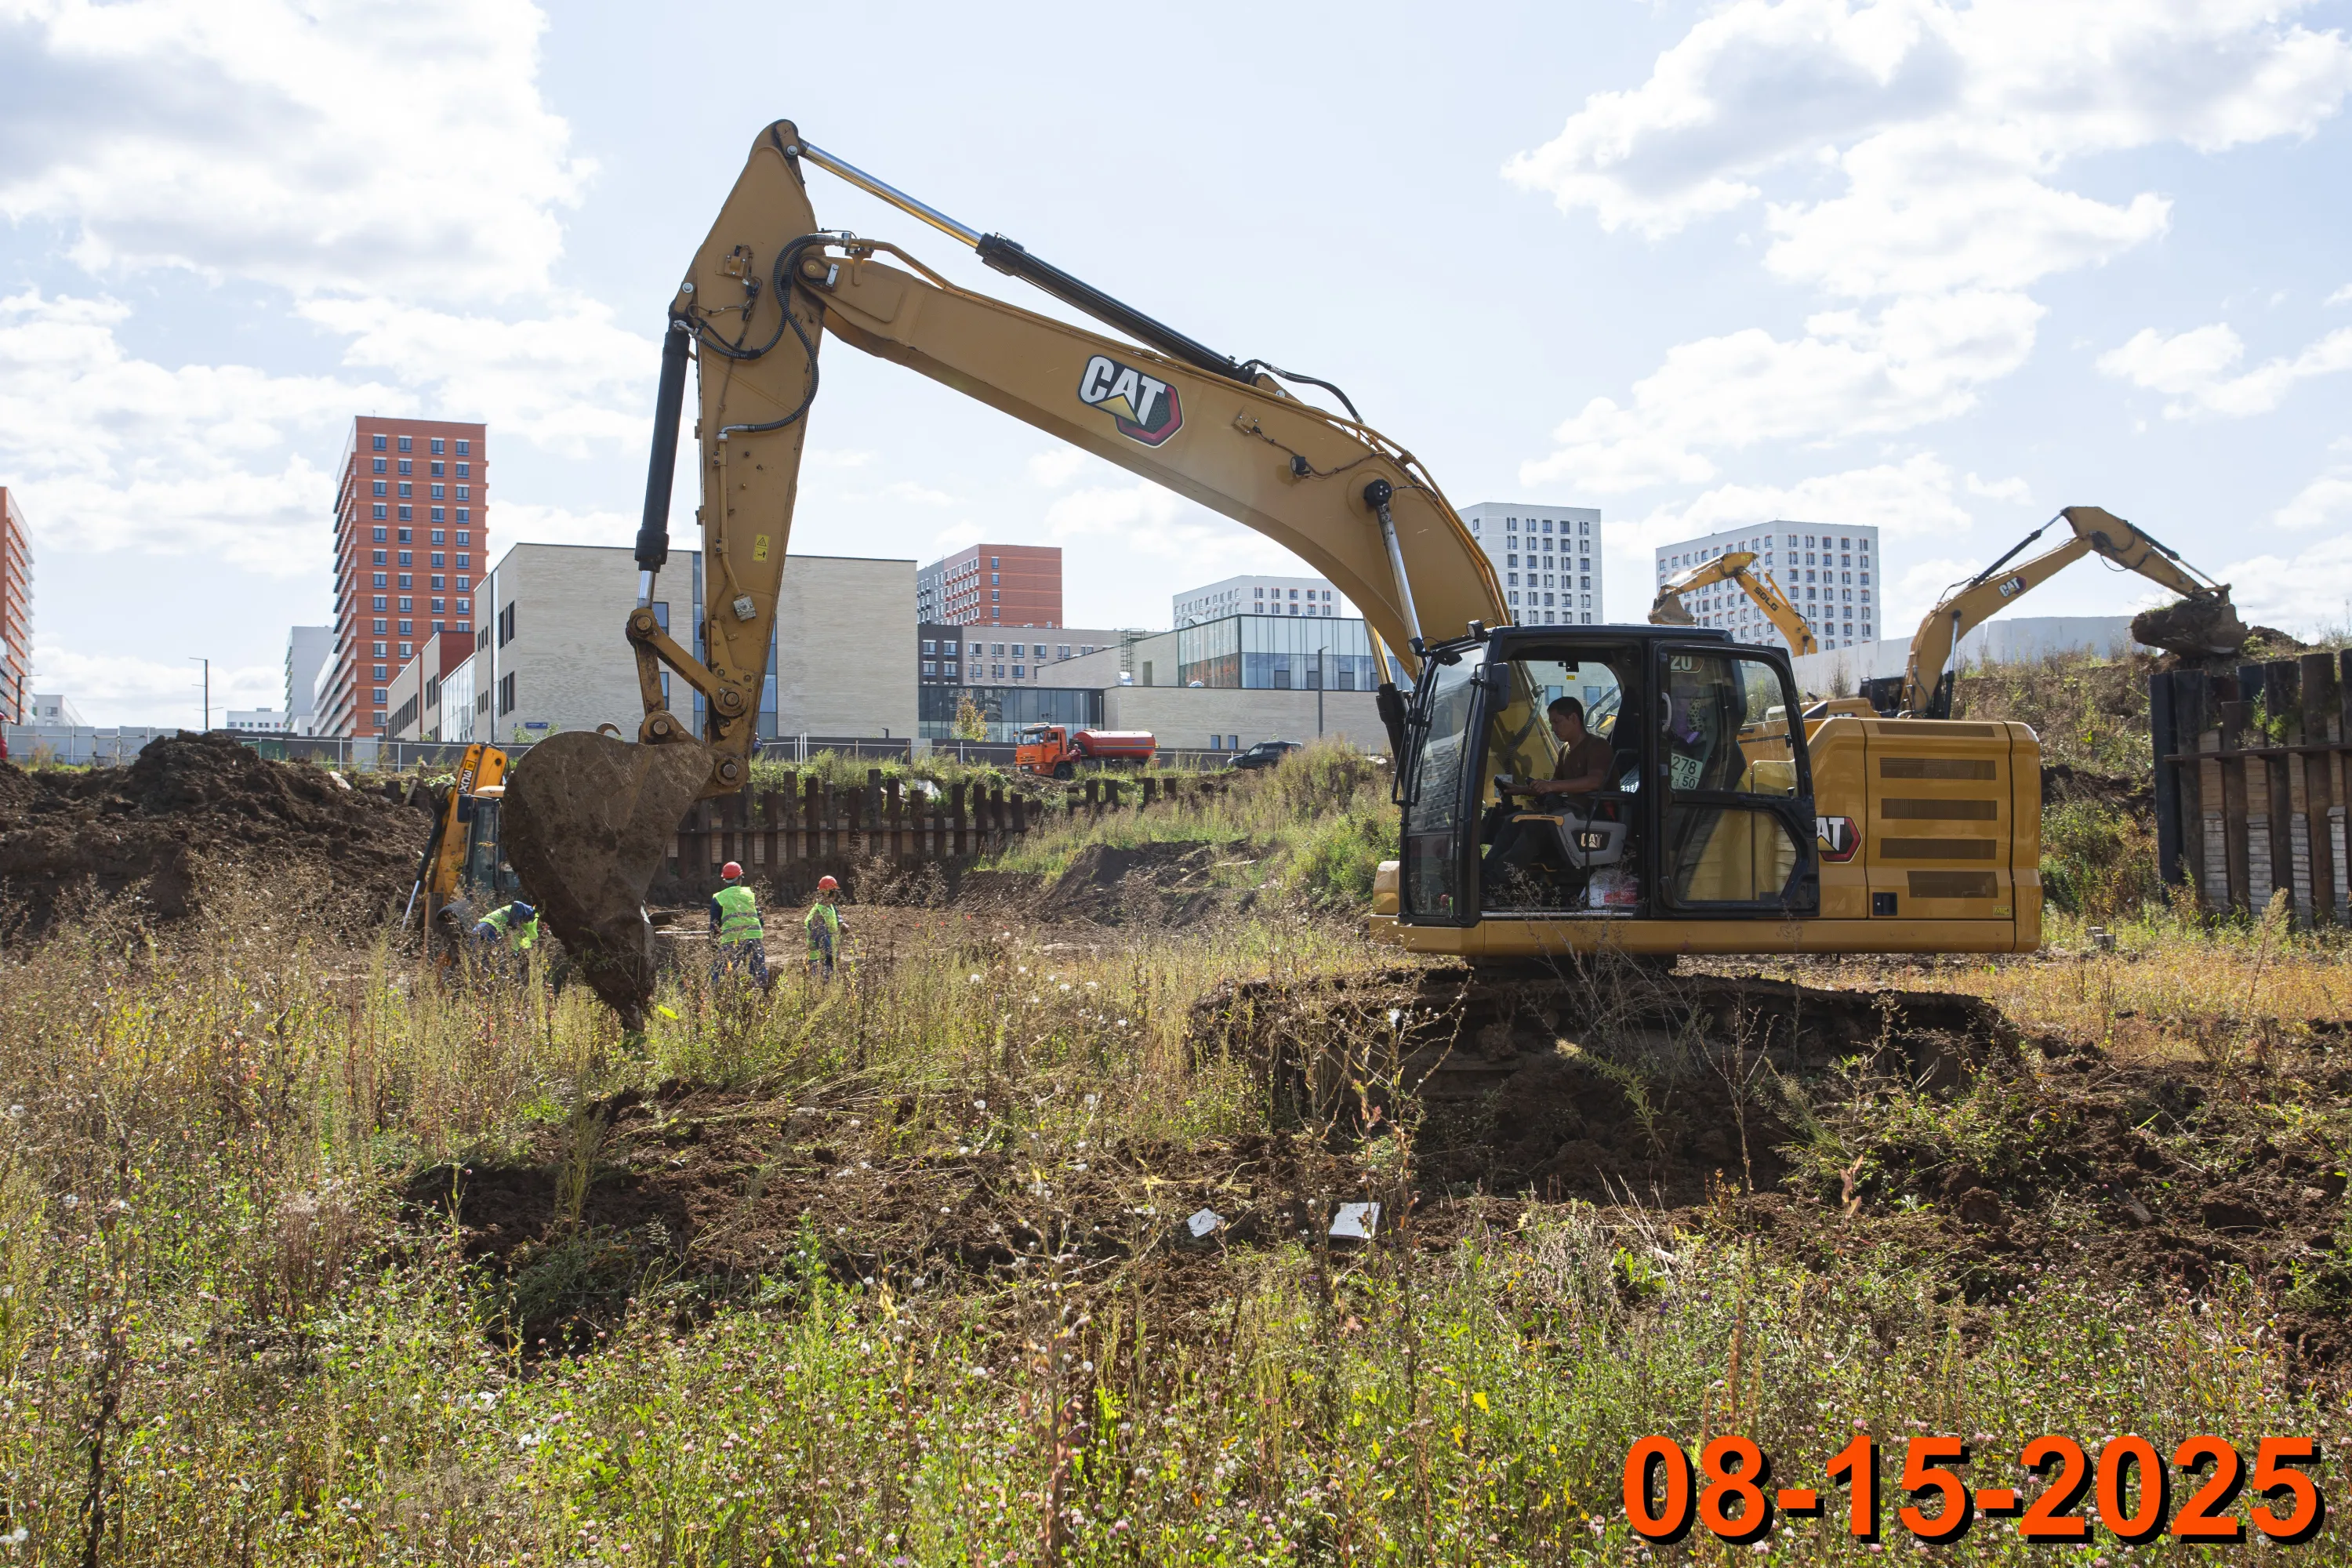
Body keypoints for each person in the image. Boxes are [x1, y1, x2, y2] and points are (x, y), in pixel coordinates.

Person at [1518, 696, 1615, 797]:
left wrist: (1551, 785)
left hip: (1597, 812)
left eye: (1556, 722)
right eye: (1551, 724)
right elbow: (1554, 786)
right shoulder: (1564, 750)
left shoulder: (1598, 745)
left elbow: (1595, 782)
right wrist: (1518, 789)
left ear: (1573, 718)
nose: (1553, 729)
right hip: (1573, 811)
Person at [710, 861, 771, 989]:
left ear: (724, 880)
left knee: (718, 973)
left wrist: (714, 946)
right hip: (754, 937)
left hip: (733, 940)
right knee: (758, 973)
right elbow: (761, 921)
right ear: (740, 878)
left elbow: (714, 926)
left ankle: (716, 997)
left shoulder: (719, 897)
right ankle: (763, 998)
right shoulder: (750, 895)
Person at [804, 874, 850, 982]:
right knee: (821, 984)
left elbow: (836, 914)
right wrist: (832, 954)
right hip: (819, 958)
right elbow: (820, 937)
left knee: (830, 983)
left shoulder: (830, 907)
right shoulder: (818, 912)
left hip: (828, 956)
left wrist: (841, 923)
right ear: (832, 894)